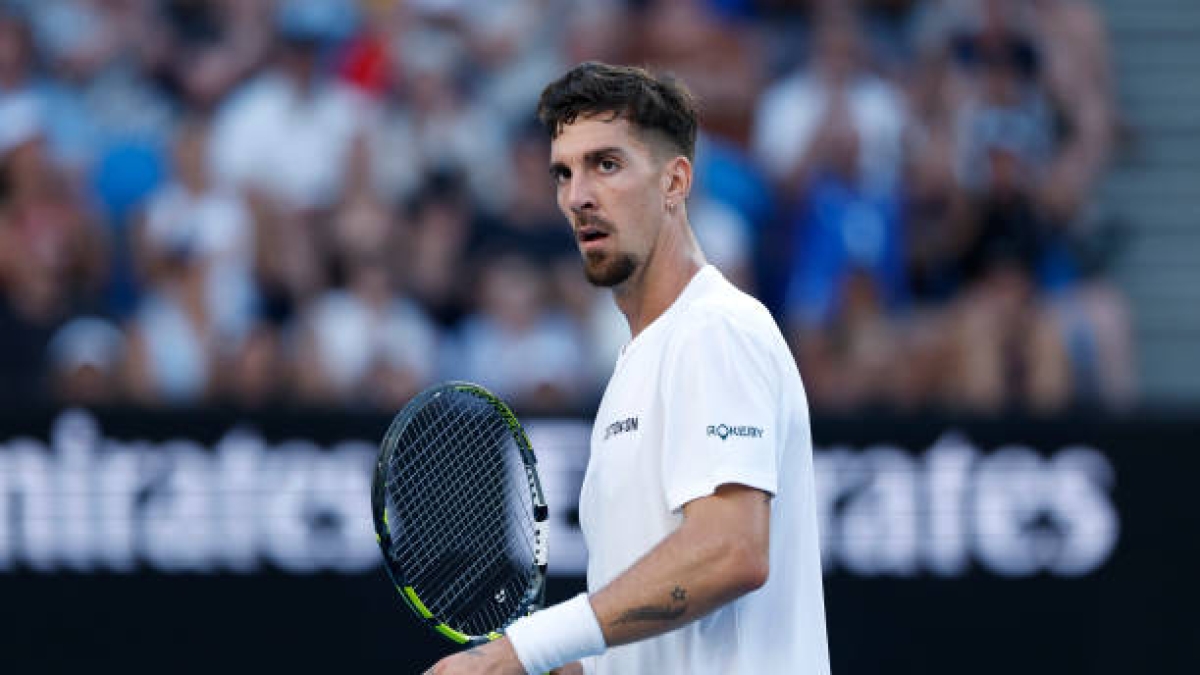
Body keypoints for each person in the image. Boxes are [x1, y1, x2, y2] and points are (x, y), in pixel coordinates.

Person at [425, 62, 831, 675]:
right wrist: (573, 667)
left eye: (606, 165)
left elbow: (731, 551)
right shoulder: (639, 362)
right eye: (564, 172)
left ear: (675, 181)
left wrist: (524, 648)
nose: (577, 196)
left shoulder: (714, 329)